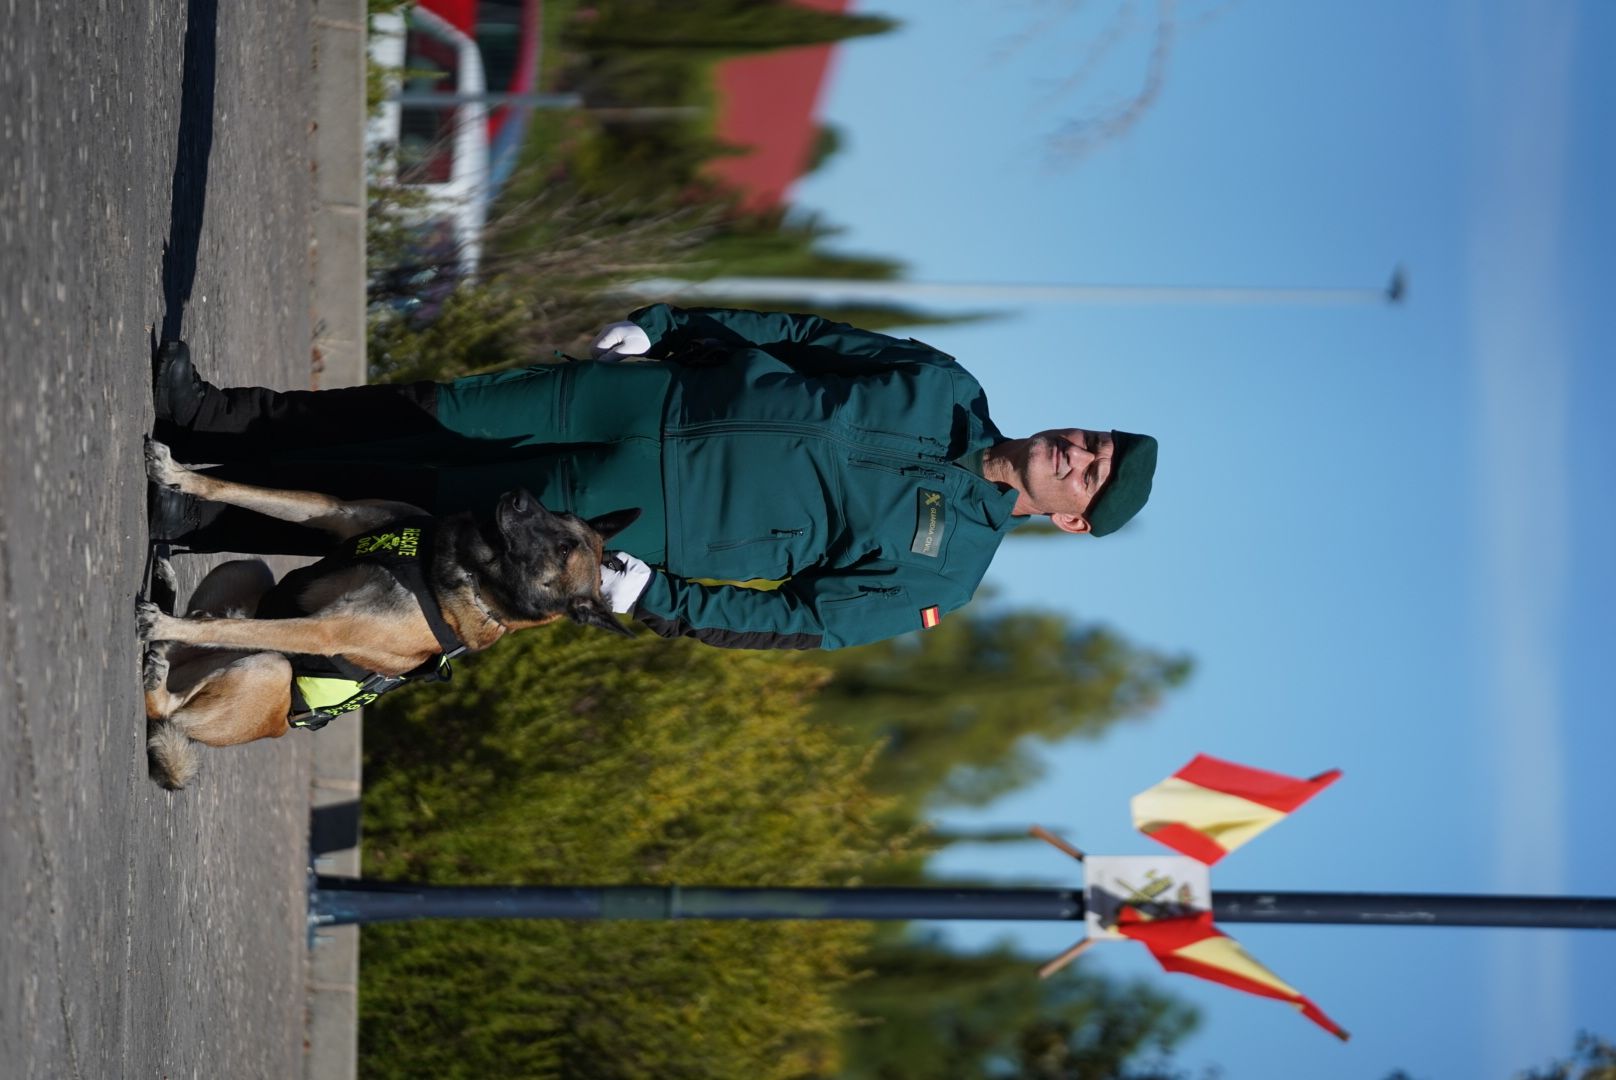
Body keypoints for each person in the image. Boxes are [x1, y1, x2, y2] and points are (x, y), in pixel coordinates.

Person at [151, 305, 1158, 650]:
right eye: (1089, 440)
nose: (1075, 453)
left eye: (1090, 475)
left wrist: (659, 598)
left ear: (1070, 521)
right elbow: (803, 338)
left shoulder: (945, 575)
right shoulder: (943, 385)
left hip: (641, 516)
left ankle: (191, 515)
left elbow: (799, 621)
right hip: (643, 404)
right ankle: (208, 417)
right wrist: (669, 325)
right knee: (428, 409)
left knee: (414, 505)